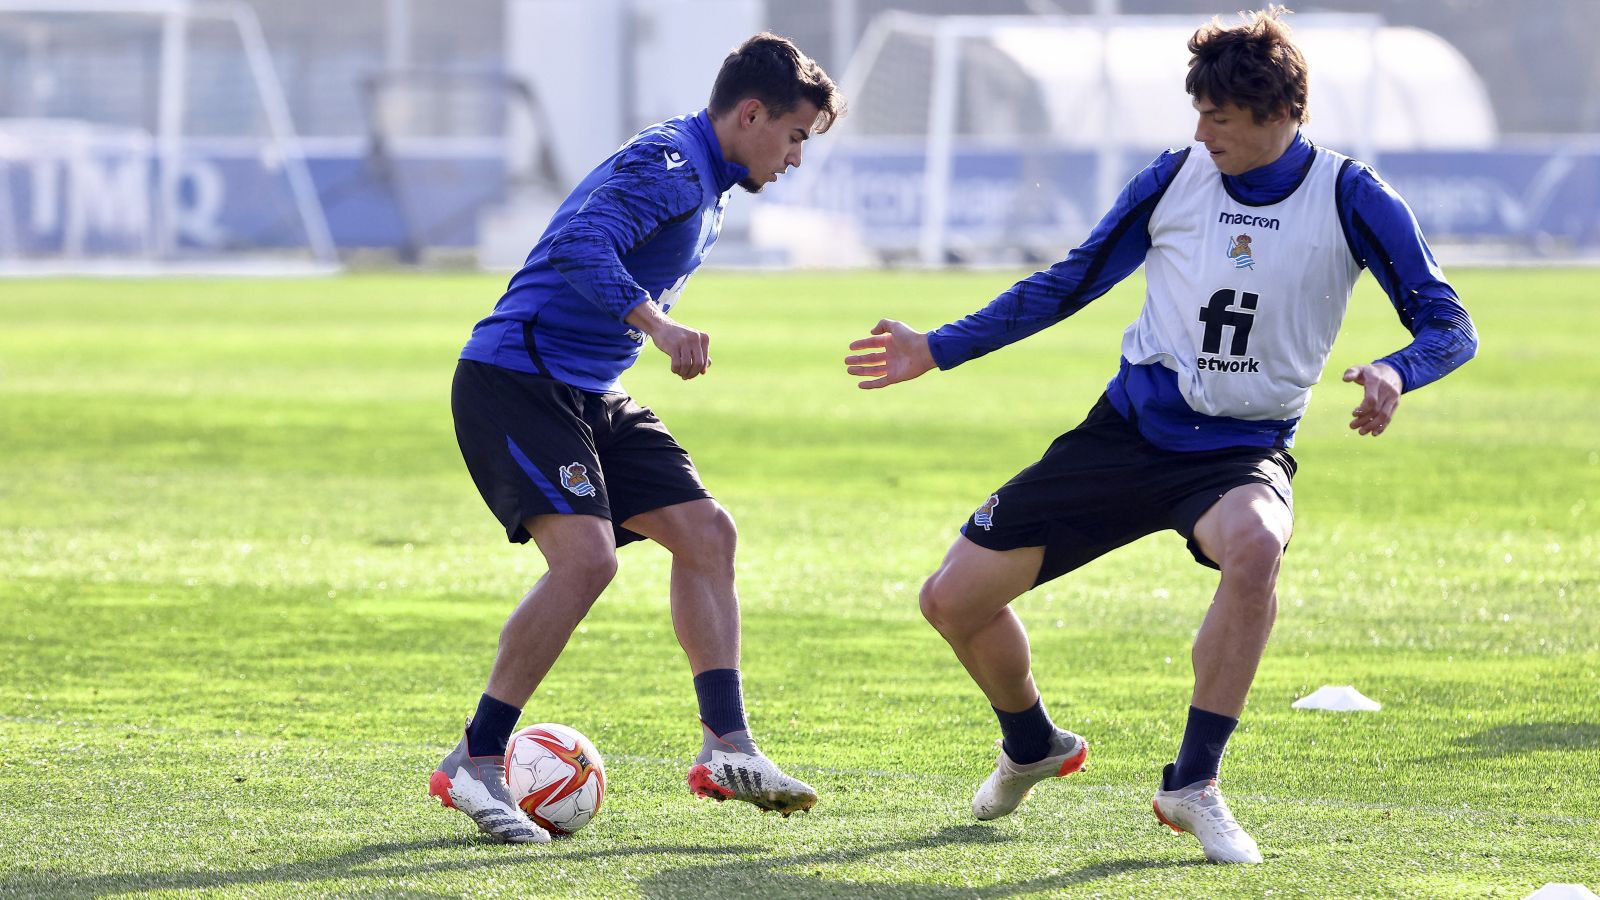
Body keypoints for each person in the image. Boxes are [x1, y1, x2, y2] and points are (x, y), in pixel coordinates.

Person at [844, 6, 1476, 864]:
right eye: (1198, 112)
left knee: (1257, 545)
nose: (1202, 132)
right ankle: (1032, 743)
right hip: (1126, 435)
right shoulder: (1175, 177)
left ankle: (1194, 782)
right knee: (950, 601)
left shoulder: (1352, 197)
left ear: (1280, 113)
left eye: (1220, 116)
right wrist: (937, 348)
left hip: (1238, 453)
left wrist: (1398, 371)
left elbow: (1449, 324)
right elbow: (1070, 282)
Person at [431, 32, 845, 843]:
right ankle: (476, 760)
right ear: (752, 114)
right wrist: (657, 324)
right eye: (795, 136)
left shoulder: (711, 178)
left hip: (591, 390)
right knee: (587, 561)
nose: (797, 157)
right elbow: (581, 243)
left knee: (707, 534)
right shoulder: (671, 165)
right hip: (518, 380)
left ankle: (726, 746)